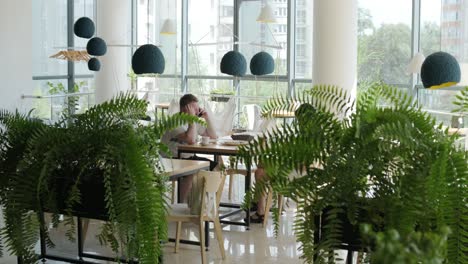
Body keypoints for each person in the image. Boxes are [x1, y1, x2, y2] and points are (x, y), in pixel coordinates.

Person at [161, 94, 217, 202]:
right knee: (191, 171)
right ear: (184, 109)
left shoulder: (195, 120)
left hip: (189, 158)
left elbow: (213, 136)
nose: (196, 112)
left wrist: (207, 118)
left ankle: (206, 203)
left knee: (216, 168)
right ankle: (182, 206)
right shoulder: (174, 121)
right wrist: (192, 120)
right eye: (193, 109)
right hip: (172, 159)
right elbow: (190, 140)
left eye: (197, 108)